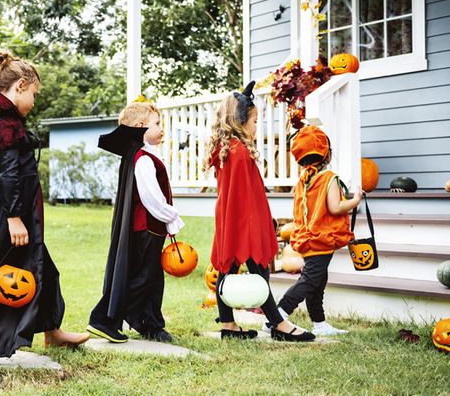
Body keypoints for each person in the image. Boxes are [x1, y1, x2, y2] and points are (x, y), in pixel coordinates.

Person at [0, 50, 89, 364]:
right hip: (9, 213)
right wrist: (15, 218)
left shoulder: (9, 119)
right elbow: (9, 174)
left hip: (19, 211)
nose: (34, 102)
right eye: (34, 94)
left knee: (44, 270)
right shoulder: (7, 123)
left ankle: (52, 330)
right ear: (20, 85)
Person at [204, 81, 314, 342]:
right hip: (244, 221)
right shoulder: (239, 151)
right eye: (254, 122)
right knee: (258, 270)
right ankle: (277, 323)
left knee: (227, 271)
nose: (256, 128)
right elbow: (245, 196)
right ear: (240, 122)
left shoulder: (226, 149)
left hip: (232, 219)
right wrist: (260, 224)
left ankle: (229, 324)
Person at [86, 101, 185, 343]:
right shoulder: (142, 159)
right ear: (141, 126)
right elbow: (152, 198)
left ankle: (148, 323)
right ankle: (104, 318)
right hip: (147, 228)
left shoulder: (140, 155)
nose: (162, 128)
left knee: (149, 277)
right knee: (144, 277)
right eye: (157, 124)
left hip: (147, 228)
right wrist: (171, 218)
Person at [274, 125, 361, 336]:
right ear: (327, 154)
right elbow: (335, 207)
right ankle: (278, 315)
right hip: (321, 239)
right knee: (311, 280)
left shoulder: (305, 179)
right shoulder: (328, 177)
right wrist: (355, 200)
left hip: (308, 237)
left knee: (318, 282)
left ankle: (320, 324)